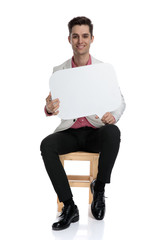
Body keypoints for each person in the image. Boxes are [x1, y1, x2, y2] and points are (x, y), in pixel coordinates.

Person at [40, 16, 126, 231]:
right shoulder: (59, 71)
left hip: (95, 132)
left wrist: (112, 116)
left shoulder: (102, 69)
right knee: (47, 145)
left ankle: (99, 189)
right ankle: (69, 207)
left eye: (85, 36)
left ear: (92, 38)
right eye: (76, 36)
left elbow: (120, 102)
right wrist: (49, 108)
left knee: (113, 132)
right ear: (69, 39)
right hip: (70, 132)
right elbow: (53, 104)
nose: (80, 41)